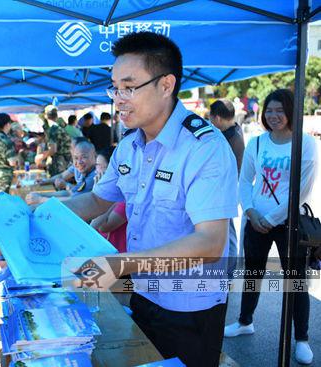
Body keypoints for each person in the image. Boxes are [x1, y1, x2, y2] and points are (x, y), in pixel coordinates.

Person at [62, 32, 238, 367]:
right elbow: (98, 200)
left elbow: (210, 242)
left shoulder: (205, 148)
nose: (118, 99)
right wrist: (40, 215)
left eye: (129, 87)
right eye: (114, 87)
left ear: (166, 84)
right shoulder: (129, 144)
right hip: (143, 293)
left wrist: (119, 265)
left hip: (190, 306)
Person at [224, 89, 318, 365]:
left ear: (291, 112)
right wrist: (251, 213)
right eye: (269, 110)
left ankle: (301, 339)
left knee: (296, 282)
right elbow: (245, 181)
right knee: (253, 273)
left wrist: (271, 219)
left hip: (288, 223)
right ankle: (244, 321)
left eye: (280, 110)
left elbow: (301, 190)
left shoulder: (305, 143)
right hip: (256, 220)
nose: (273, 116)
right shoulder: (256, 143)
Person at [210, 98, 245, 276]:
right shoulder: (234, 132)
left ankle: (229, 273)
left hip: (226, 192)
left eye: (210, 119)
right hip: (226, 190)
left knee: (228, 234)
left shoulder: (231, 137)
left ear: (217, 118)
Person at [26, 140, 96, 205]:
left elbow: (72, 200)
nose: (79, 162)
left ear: (94, 157)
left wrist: (40, 199)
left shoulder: (94, 175)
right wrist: (40, 194)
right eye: (76, 158)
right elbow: (70, 193)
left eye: (84, 157)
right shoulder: (84, 169)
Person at [35, 105, 72, 176]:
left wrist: (40, 157)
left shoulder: (53, 129)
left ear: (46, 116)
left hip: (59, 164)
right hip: (66, 163)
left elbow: (53, 150)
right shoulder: (60, 127)